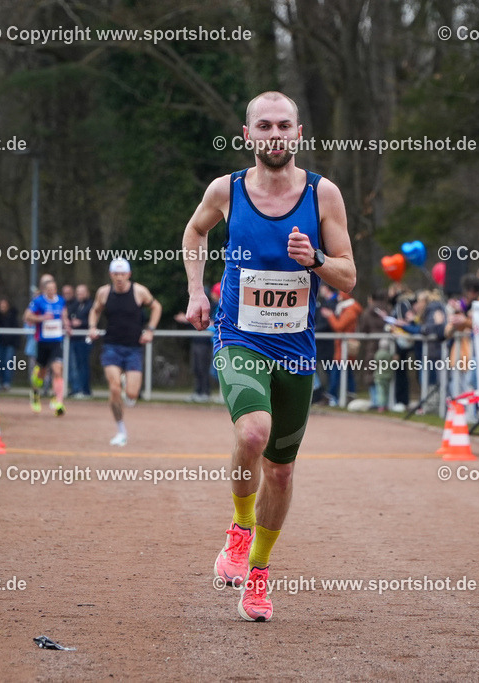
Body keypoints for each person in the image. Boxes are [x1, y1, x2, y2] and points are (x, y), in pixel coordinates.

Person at [182, 91, 355, 621]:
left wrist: (317, 259)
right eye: (265, 126)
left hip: (296, 347)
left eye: (284, 126)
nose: (275, 135)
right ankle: (239, 526)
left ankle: (257, 575)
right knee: (252, 433)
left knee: (280, 472)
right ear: (248, 134)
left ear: (298, 135)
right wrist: (196, 291)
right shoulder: (226, 190)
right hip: (240, 336)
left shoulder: (324, 195)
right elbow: (194, 231)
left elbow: (348, 277)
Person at [88, 258, 162, 446]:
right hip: (111, 346)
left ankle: (125, 385)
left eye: (123, 274)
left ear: (128, 274)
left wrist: (150, 330)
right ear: (111, 275)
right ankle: (121, 430)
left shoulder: (139, 291)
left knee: (132, 395)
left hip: (133, 349)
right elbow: (95, 310)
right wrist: (92, 326)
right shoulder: (104, 293)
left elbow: (156, 307)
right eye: (116, 274)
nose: (119, 277)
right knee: (114, 389)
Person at [25, 274, 69, 416]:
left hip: (56, 341)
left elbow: (64, 316)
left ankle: (59, 401)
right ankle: (35, 393)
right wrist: (42, 317)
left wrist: (67, 325)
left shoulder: (61, 301)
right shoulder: (38, 302)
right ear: (44, 290)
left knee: (57, 370)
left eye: (54, 289)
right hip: (43, 342)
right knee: (41, 373)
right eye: (49, 289)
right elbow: (27, 317)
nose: (51, 291)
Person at [66, 284, 93, 398]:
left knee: (83, 365)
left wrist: (81, 323)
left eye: (82, 292)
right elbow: (68, 316)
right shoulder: (74, 305)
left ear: (87, 293)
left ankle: (85, 390)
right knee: (73, 365)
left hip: (84, 339)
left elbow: (93, 321)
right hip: (73, 339)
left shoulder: (91, 305)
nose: (79, 295)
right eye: (78, 293)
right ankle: (75, 389)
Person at [0, 297, 20, 390]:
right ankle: (0, 382)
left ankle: (7, 383)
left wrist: (16, 343)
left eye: (4, 305)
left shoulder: (12, 316)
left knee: (8, 363)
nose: (2, 307)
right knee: (0, 363)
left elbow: (16, 331)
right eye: (1, 305)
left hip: (10, 344)